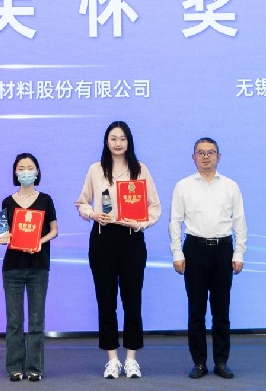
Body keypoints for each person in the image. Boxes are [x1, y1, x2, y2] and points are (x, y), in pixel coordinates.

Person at [75, 121, 161, 379]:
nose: (118, 143)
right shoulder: (96, 169)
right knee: (106, 300)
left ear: (129, 141)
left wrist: (141, 222)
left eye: (122, 138)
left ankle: (131, 358)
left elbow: (154, 206)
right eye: (113, 138)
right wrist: (92, 214)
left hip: (132, 238)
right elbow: (82, 202)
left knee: (132, 300)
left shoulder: (140, 169)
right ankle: (112, 358)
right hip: (103, 238)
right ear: (106, 141)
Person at [169, 137, 248, 380]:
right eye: (201, 153)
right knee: (196, 310)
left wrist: (239, 253)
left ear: (218, 157)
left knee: (221, 310)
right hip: (194, 249)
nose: (206, 157)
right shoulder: (183, 186)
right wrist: (177, 253)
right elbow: (175, 222)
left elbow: (239, 222)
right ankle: (199, 363)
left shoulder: (230, 186)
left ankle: (221, 362)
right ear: (193, 157)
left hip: (223, 250)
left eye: (210, 152)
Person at [0, 153, 58, 382]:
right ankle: (14, 367)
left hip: (38, 266)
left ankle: (34, 368)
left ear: (37, 171)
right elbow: (3, 230)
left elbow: (54, 230)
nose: (25, 172)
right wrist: (2, 237)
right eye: (21, 168)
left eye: (30, 167)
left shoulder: (46, 200)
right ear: (15, 172)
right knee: (14, 321)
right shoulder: (7, 202)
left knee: (36, 320)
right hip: (12, 266)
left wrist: (39, 241)